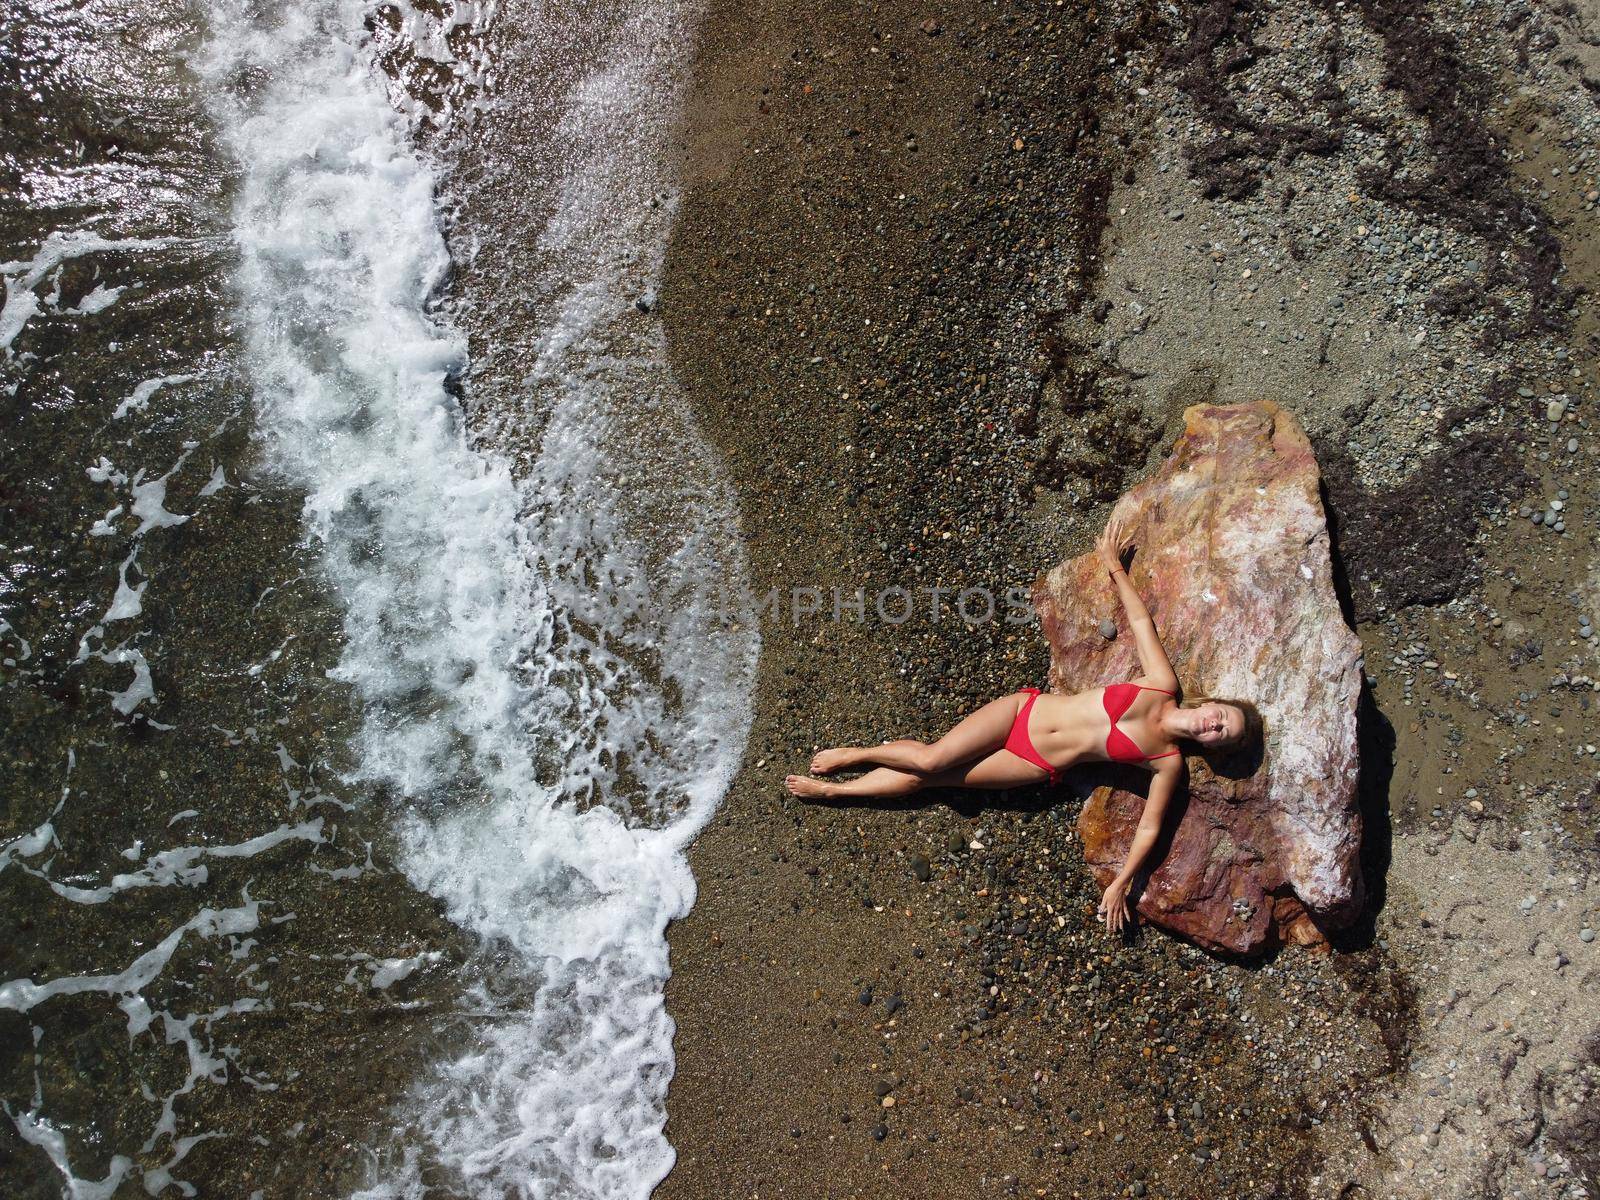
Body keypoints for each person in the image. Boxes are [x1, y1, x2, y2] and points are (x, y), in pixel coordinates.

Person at [785, 514, 1264, 934]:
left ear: (1213, 746)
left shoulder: (1167, 764)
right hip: (1023, 711)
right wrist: (1115, 566)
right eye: (1222, 716)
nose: (1214, 725)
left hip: (1033, 762)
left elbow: (1150, 828)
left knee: (933, 780)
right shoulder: (1162, 684)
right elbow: (1140, 624)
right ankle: (858, 754)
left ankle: (836, 793)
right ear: (1214, 705)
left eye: (1222, 733)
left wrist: (1122, 882)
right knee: (932, 756)